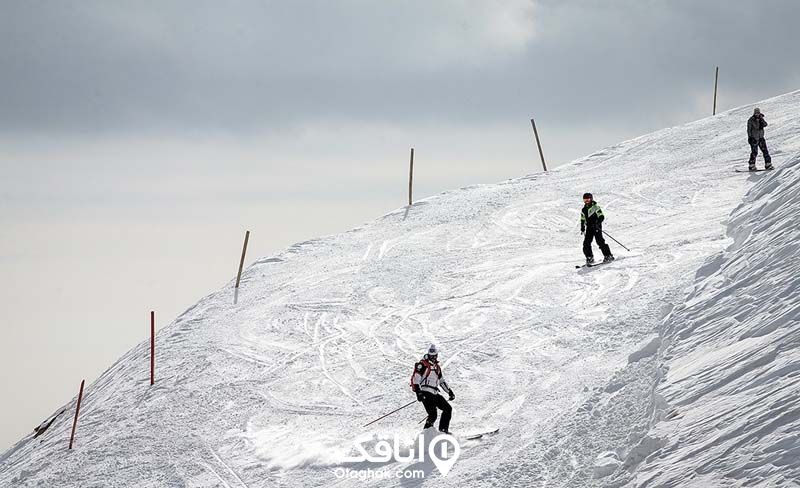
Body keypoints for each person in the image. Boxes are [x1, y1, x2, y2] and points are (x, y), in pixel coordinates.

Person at [410, 344, 455, 434]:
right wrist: (418, 392)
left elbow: (441, 381)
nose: (433, 358)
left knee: (447, 408)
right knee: (433, 414)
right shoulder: (422, 364)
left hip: (434, 393)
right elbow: (416, 378)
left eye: (434, 356)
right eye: (431, 356)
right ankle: (425, 435)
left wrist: (449, 391)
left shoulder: (437, 367)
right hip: (425, 392)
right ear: (428, 355)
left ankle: (443, 430)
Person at [580, 193, 614, 264]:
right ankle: (589, 257)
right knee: (586, 243)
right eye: (585, 200)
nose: (586, 201)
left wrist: (597, 223)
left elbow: (601, 216)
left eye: (588, 200)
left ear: (591, 199)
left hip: (596, 226)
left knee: (600, 241)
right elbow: (582, 219)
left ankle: (608, 255)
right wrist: (582, 227)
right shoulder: (584, 210)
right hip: (589, 228)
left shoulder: (596, 207)